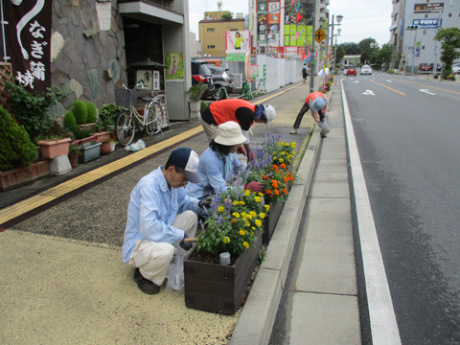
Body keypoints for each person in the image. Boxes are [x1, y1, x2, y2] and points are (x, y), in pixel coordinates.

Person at [122, 147, 210, 295]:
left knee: (190, 216)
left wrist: (199, 204)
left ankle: (174, 260)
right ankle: (145, 275)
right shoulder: (149, 186)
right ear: (171, 169)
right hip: (140, 242)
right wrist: (180, 235)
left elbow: (185, 202)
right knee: (166, 250)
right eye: (184, 177)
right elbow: (149, 227)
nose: (186, 182)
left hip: (157, 235)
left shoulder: (174, 184)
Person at [186, 121, 264, 200]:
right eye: (237, 142)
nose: (240, 145)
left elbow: (240, 169)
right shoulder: (210, 160)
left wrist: (259, 177)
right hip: (199, 197)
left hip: (212, 191)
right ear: (228, 144)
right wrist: (246, 187)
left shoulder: (229, 152)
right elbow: (221, 190)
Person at [200, 98, 276, 161]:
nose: (261, 123)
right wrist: (249, 153)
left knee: (228, 146)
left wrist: (238, 146)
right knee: (218, 147)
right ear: (261, 117)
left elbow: (238, 130)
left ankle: (227, 167)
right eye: (263, 122)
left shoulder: (251, 109)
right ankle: (213, 168)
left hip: (217, 116)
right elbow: (245, 139)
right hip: (211, 117)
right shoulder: (248, 115)